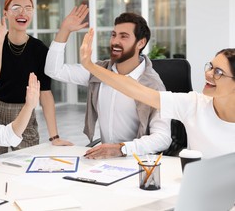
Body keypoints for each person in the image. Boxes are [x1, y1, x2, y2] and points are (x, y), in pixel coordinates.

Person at [80, 28, 235, 159]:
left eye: (218, 72)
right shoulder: (193, 104)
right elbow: (134, 89)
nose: (208, 74)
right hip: (200, 186)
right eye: (210, 67)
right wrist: (89, 65)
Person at [45, 10, 171, 158]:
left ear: (141, 43)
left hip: (135, 160)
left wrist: (121, 149)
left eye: (123, 36)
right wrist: (64, 31)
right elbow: (53, 71)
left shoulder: (153, 85)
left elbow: (163, 138)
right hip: (104, 160)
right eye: (113, 35)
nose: (115, 41)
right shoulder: (99, 72)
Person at [0, 0, 73, 154]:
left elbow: (45, 93)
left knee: (27, 161)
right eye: (16, 7)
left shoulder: (39, 49)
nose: (22, 12)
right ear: (6, 13)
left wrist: (54, 137)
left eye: (28, 8)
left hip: (23, 111)